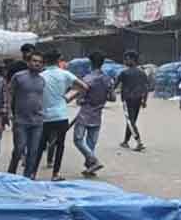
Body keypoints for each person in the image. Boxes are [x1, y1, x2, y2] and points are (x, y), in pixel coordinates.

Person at [39, 50, 88, 182]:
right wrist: (68, 98)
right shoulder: (65, 74)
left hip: (44, 117)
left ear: (45, 61)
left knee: (40, 145)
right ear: (58, 60)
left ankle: (32, 173)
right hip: (61, 116)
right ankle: (55, 174)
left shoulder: (40, 76)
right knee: (60, 145)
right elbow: (84, 87)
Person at [73, 51, 115, 177]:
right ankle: (90, 166)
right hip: (97, 114)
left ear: (91, 63)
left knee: (78, 140)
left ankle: (94, 160)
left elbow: (79, 99)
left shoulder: (87, 79)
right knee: (91, 142)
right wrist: (100, 98)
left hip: (85, 114)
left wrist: (84, 100)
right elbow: (112, 98)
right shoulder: (108, 79)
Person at [7, 51, 46, 179]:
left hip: (37, 121)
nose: (37, 64)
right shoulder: (18, 77)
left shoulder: (42, 80)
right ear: (29, 62)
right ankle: (11, 174)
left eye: (39, 62)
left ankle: (27, 177)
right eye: (34, 61)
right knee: (19, 149)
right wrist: (9, 112)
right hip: (21, 120)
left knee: (33, 151)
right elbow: (9, 94)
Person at [115, 50, 148, 151]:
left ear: (132, 60)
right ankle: (125, 141)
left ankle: (139, 142)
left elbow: (114, 85)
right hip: (138, 100)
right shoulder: (142, 73)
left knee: (130, 121)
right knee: (131, 121)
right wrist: (144, 100)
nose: (125, 61)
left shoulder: (124, 73)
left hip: (127, 100)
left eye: (126, 59)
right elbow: (146, 88)